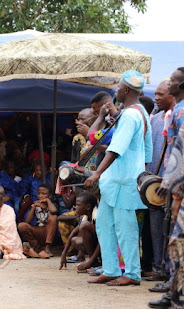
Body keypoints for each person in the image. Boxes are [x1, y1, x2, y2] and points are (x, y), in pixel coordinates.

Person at [84, 70, 152, 286]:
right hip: (117, 180)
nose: (116, 90)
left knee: (126, 228)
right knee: (104, 225)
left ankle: (132, 273)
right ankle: (112, 269)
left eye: (119, 87)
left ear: (126, 90)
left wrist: (96, 173)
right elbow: (147, 149)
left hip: (123, 179)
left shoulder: (132, 115)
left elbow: (116, 148)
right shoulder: (136, 111)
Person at [149, 68, 184, 308]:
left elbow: (180, 154)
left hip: (180, 188)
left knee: (177, 243)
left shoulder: (182, 113)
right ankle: (174, 292)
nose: (169, 83)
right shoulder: (176, 111)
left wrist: (176, 194)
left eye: (172, 80)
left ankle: (175, 294)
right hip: (174, 183)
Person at [146, 80, 176, 282]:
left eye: (160, 94)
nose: (156, 98)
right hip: (154, 184)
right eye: (155, 94)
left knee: (172, 228)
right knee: (157, 227)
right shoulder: (154, 120)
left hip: (174, 183)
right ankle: (159, 267)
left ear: (172, 95)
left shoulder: (178, 117)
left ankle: (170, 271)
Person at [59, 192, 99, 272]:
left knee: (84, 226)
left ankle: (93, 262)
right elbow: (74, 232)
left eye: (78, 205)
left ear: (88, 207)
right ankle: (94, 262)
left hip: (104, 244)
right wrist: (64, 253)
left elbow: (103, 241)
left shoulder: (97, 216)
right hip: (97, 243)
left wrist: (89, 263)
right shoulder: (86, 217)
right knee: (75, 240)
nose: (75, 207)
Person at [18, 184, 58, 258]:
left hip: (49, 232)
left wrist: (48, 201)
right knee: (21, 226)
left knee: (53, 217)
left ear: (50, 195)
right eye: (39, 193)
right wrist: (34, 207)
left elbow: (54, 211)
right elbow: (27, 221)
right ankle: (37, 247)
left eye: (43, 194)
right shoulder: (36, 206)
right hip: (38, 230)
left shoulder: (53, 204)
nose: (40, 196)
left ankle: (47, 247)